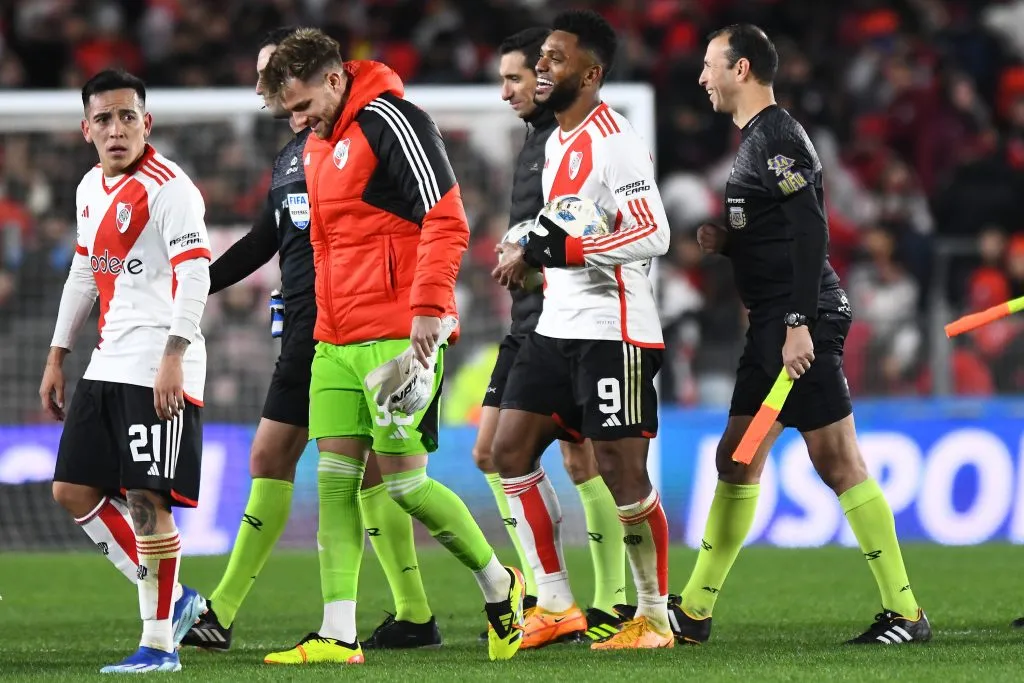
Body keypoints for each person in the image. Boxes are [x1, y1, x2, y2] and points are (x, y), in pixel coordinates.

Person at [259, 28, 525, 664]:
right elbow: (324, 247)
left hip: (396, 335)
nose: (295, 122)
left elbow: (447, 219)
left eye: (300, 106)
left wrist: (429, 309)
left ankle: (499, 581)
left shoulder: (391, 120)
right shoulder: (319, 143)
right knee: (332, 483)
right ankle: (338, 633)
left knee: (405, 487)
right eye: (286, 112)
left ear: (332, 79)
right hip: (334, 338)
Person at [669, 23, 931, 646]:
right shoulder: (756, 140)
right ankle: (696, 611)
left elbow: (811, 229)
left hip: (799, 322)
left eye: (711, 65)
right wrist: (728, 242)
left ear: (742, 70)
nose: (701, 76)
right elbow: (780, 228)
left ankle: (905, 614)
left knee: (832, 460)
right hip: (777, 323)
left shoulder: (777, 135)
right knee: (739, 458)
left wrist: (797, 325)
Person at [181, 27, 440, 652]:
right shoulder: (295, 155)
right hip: (307, 330)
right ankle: (229, 610)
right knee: (280, 460)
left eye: (281, 80)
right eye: (270, 85)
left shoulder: (363, 136)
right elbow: (261, 242)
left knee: (386, 480)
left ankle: (439, 604)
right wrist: (195, 288)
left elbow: (434, 217)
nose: (274, 93)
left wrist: (423, 306)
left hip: (366, 329)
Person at [490, 10, 672, 651]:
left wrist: (562, 254)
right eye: (541, 56)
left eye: (555, 59)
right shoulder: (557, 142)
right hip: (556, 324)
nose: (542, 67)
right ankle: (558, 603)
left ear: (590, 73)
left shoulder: (612, 138)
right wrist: (523, 244)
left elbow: (655, 231)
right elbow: (561, 223)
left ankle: (652, 615)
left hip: (613, 330)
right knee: (508, 453)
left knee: (624, 476)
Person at [41, 69, 212, 673]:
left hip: (159, 361)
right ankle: (180, 601)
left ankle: (160, 645)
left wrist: (174, 356)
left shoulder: (171, 189)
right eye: (104, 119)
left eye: (127, 116)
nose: (117, 129)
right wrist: (59, 353)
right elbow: (86, 272)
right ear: (86, 129)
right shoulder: (90, 187)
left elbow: (196, 275)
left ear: (147, 122)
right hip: (107, 358)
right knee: (73, 490)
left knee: (146, 500)